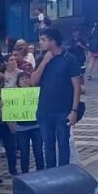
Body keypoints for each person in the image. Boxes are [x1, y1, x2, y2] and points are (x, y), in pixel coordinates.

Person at [26, 27, 82, 169]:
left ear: (53, 41)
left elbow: (77, 87)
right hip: (44, 110)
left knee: (63, 144)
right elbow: (33, 82)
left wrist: (74, 110)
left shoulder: (69, 59)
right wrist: (44, 62)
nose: (40, 43)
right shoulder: (41, 59)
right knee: (48, 145)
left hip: (63, 110)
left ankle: (63, 173)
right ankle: (50, 174)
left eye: (43, 40)